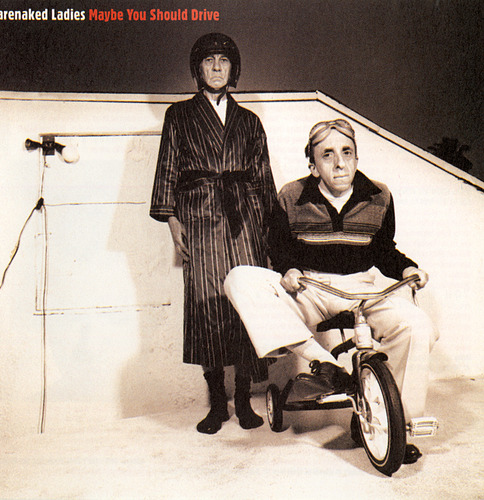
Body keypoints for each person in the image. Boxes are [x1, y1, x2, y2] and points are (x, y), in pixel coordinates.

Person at [224, 119, 438, 463]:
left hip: (362, 288)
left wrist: (407, 269)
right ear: (313, 165)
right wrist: (288, 270)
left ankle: (395, 424)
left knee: (417, 325)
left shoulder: (379, 195)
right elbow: (278, 246)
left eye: (347, 152)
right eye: (327, 155)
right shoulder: (291, 195)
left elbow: (384, 250)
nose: (340, 163)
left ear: (356, 157)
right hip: (310, 286)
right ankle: (325, 365)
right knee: (238, 278)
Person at [150, 33, 277, 434]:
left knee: (246, 303)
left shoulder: (249, 122)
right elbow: (168, 170)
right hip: (199, 216)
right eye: (209, 61)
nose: (217, 67)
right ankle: (217, 402)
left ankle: (244, 397)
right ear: (198, 69)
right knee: (207, 304)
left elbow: (263, 178)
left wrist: (269, 232)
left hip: (245, 219)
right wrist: (174, 224)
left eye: (224, 60)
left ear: (233, 68)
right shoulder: (179, 116)